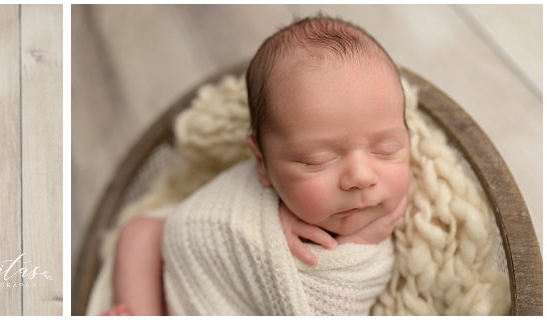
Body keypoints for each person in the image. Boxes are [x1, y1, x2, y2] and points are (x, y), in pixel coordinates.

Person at [105, 15, 408, 316]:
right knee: (140, 233)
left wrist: (361, 242)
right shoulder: (258, 192)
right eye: (315, 160)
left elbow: (327, 307)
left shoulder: (398, 223)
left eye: (386, 150)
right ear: (262, 164)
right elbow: (206, 220)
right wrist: (268, 226)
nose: (360, 176)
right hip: (188, 270)